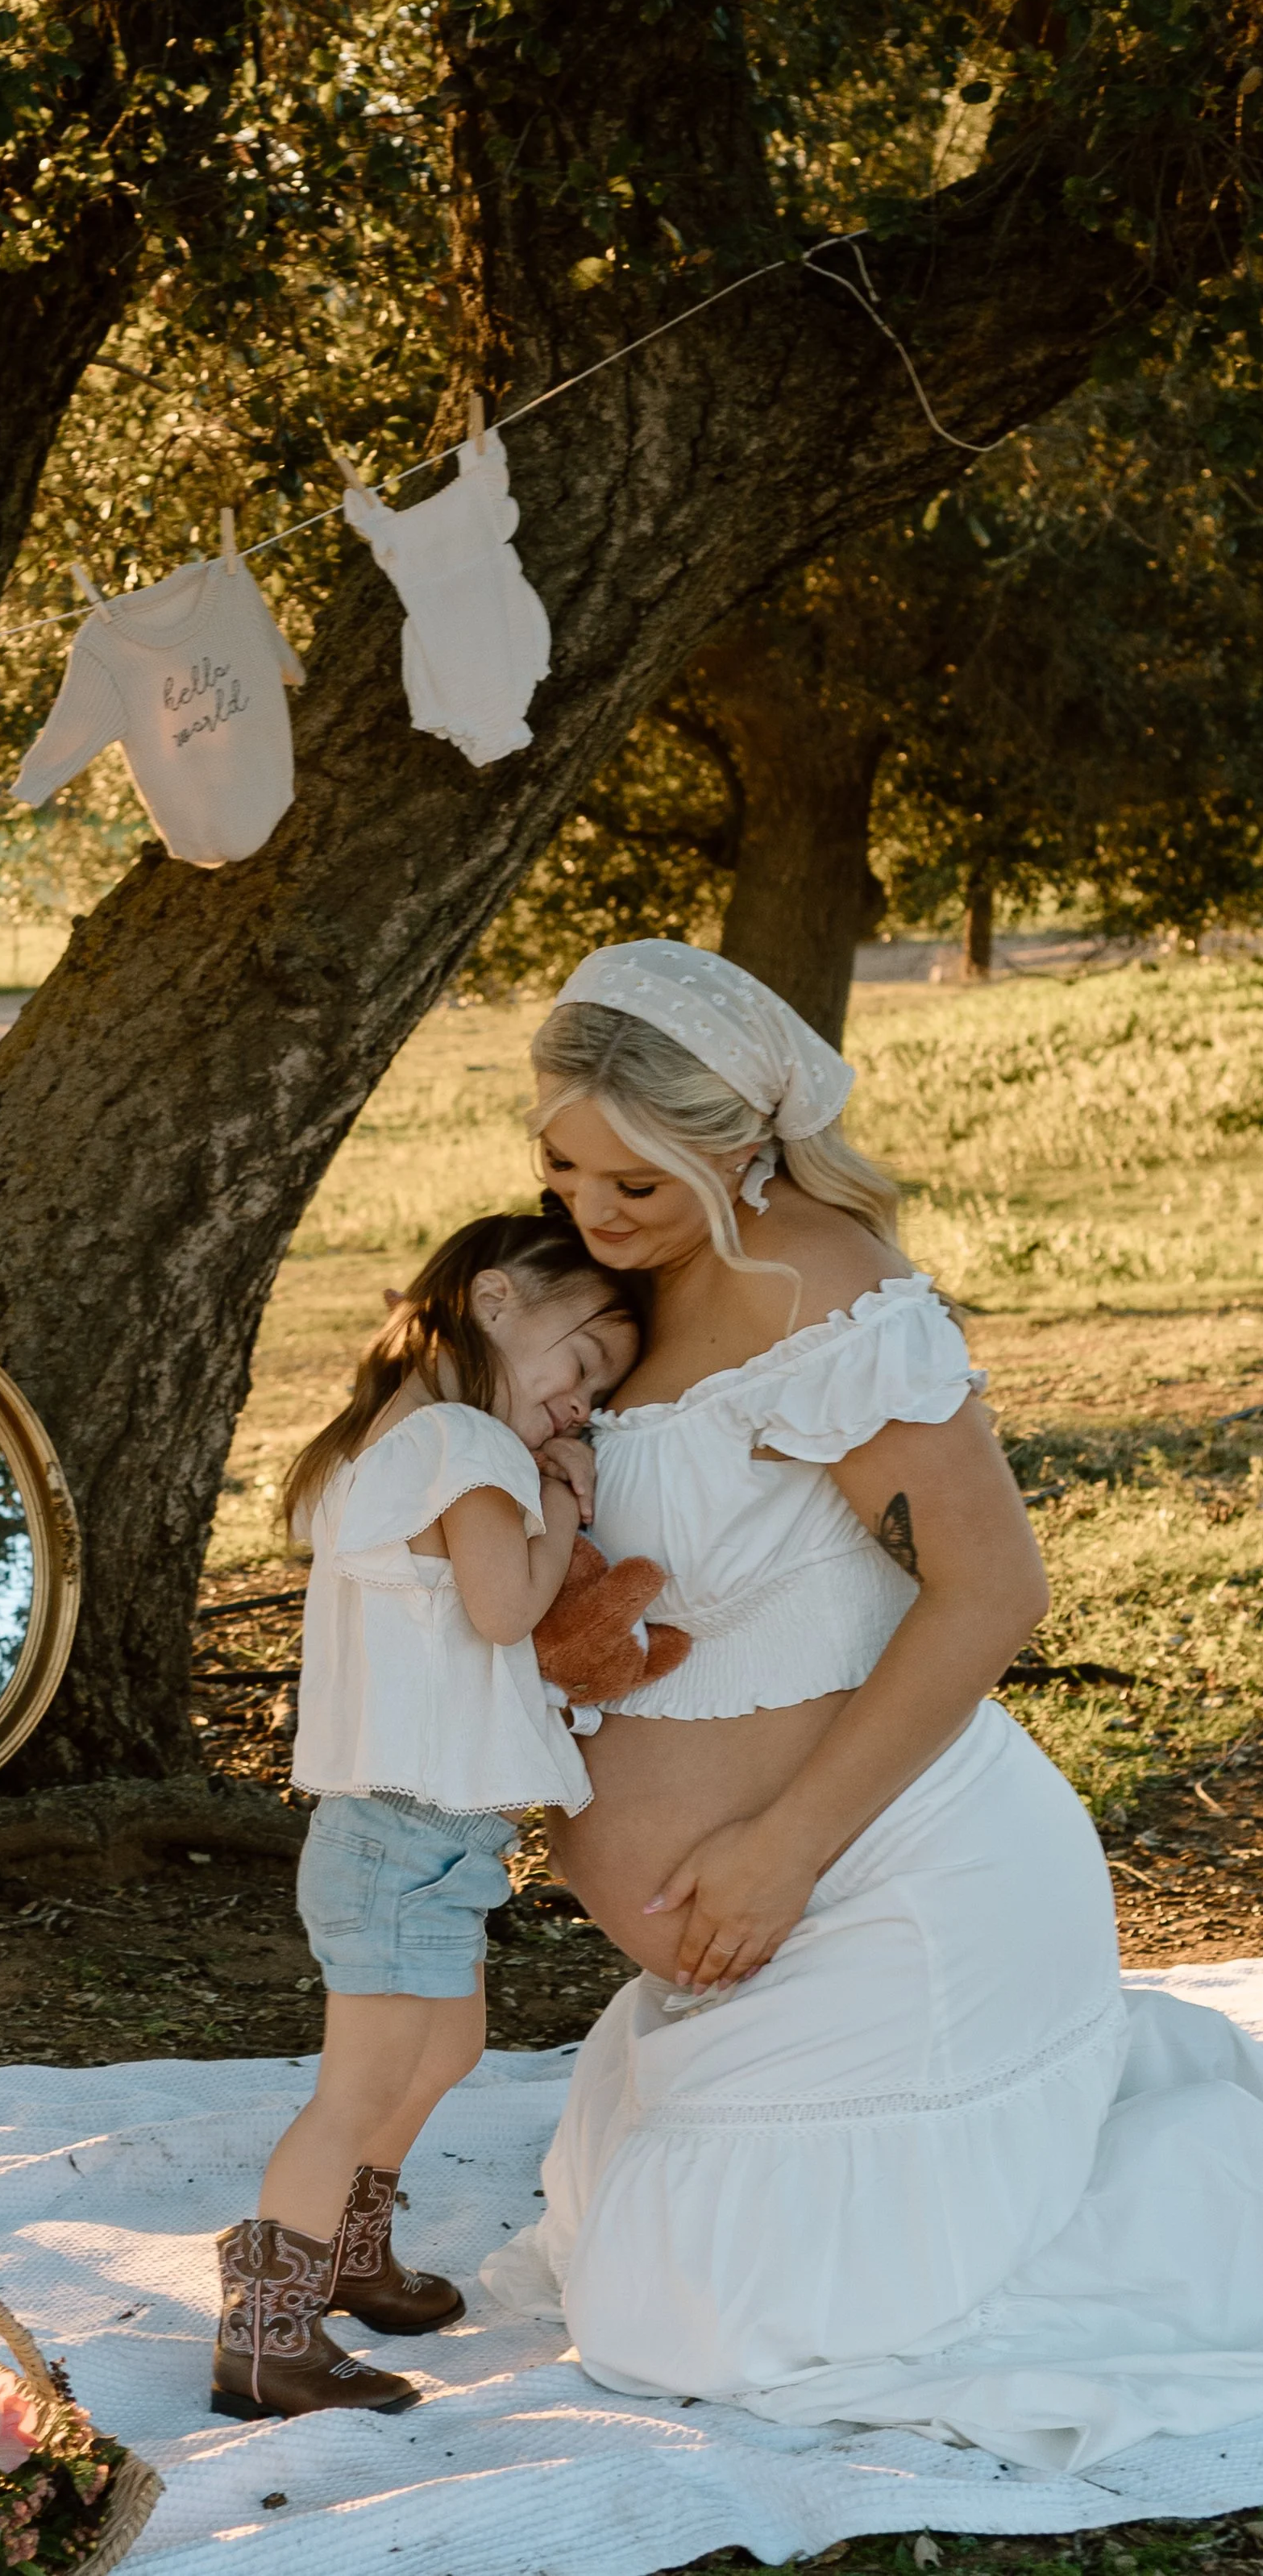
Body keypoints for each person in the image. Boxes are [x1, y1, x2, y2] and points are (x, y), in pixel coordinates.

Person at [483, 938, 1263, 2472]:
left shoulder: (819, 1289)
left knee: (677, 2319)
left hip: (892, 1881)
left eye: (639, 1180)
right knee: (648, 2273)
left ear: (746, 1140)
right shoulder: (605, 1284)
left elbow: (994, 1590)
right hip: (739, 1956)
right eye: (565, 1167)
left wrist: (782, 1847)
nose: (593, 1211)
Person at [212, 1213, 641, 2423]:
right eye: (580, 1369)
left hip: (424, 1833)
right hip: (399, 1833)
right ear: (496, 1299)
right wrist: (566, 1499)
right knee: (357, 2084)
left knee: (445, 2047)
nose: (578, 1407)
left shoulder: (399, 1440)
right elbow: (509, 1608)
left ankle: (349, 2248)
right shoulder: (464, 1442)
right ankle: (265, 2333)